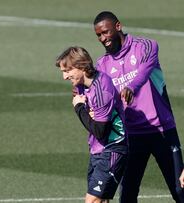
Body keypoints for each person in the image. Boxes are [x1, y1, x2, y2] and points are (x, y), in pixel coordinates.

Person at [93, 11, 184, 203]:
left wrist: (131, 87)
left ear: (118, 26)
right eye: (99, 35)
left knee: (180, 190)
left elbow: (143, 72)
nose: (103, 39)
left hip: (162, 131)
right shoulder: (102, 65)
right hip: (131, 137)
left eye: (105, 32)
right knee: (127, 196)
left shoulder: (146, 46)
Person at [56, 46, 127, 203]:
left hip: (112, 149)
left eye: (67, 71)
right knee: (101, 201)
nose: (64, 76)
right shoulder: (82, 86)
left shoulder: (101, 89)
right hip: (98, 150)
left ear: (81, 66)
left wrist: (79, 108)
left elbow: (100, 130)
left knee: (92, 200)